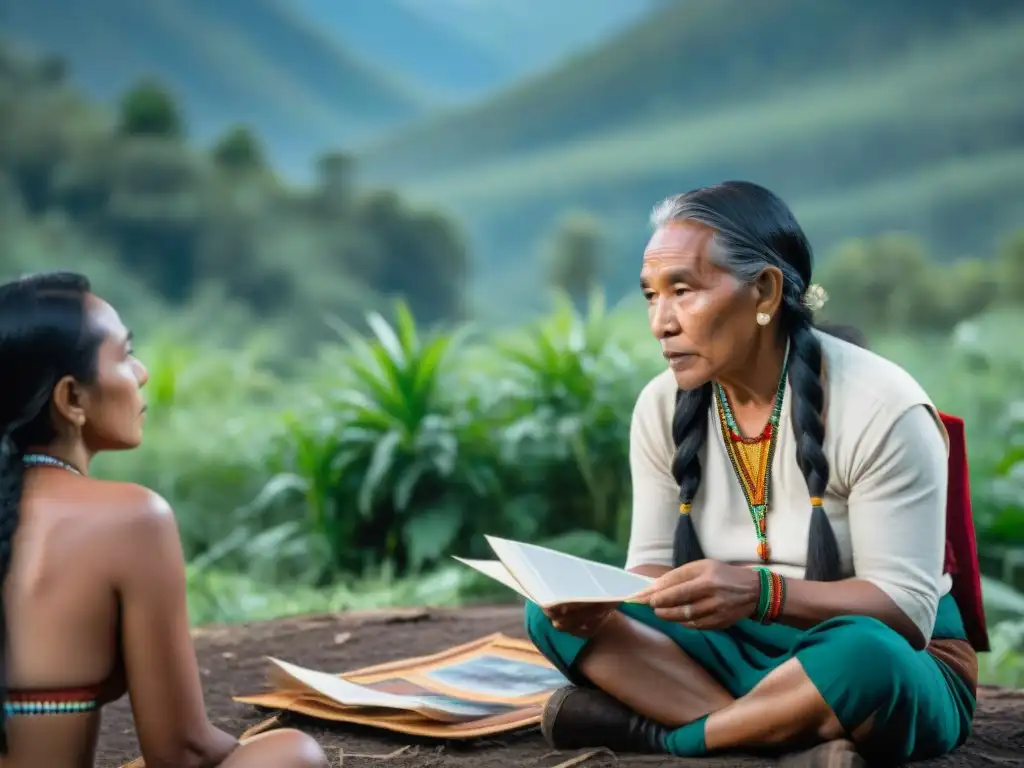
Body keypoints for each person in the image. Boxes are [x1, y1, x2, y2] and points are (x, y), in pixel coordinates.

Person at [524, 182, 978, 767]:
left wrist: (762, 592)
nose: (661, 322)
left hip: (880, 655)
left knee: (865, 658)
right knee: (547, 610)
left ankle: (672, 736)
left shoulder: (882, 407)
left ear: (763, 290)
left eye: (682, 291)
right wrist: (606, 601)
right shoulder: (661, 406)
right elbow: (652, 568)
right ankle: (783, 732)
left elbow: (906, 612)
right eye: (650, 296)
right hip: (730, 646)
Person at [0, 272, 329, 767]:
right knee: (294, 754)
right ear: (72, 400)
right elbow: (182, 752)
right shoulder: (131, 520)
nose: (143, 372)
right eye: (125, 354)